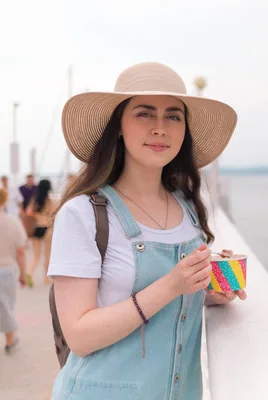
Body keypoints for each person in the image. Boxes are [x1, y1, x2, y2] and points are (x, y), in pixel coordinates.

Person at [48, 62, 246, 399]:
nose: (160, 128)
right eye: (144, 114)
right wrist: (171, 285)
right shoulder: (83, 213)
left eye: (173, 116)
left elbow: (174, 303)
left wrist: (209, 289)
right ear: (120, 127)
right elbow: (79, 335)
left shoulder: (187, 205)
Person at [0, 188, 27, 353]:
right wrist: (23, 274)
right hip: (6, 270)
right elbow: (20, 251)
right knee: (6, 304)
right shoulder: (12, 222)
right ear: (4, 201)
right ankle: (10, 340)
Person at [25, 179, 56, 287]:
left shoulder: (35, 200)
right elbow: (54, 214)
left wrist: (37, 215)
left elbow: (28, 212)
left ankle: (29, 272)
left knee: (36, 256)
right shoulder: (50, 201)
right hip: (47, 229)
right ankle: (46, 278)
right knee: (47, 255)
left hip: (36, 228)